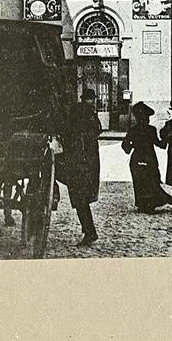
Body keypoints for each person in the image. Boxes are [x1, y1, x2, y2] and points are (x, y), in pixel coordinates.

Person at [58, 88, 102, 246]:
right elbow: (98, 130)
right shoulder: (90, 115)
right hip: (85, 165)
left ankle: (90, 232)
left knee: (80, 199)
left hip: (80, 165)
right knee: (80, 199)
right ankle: (89, 231)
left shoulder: (79, 113)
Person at [121, 101, 172, 213]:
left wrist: (132, 146)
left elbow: (125, 146)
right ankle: (150, 204)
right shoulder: (151, 130)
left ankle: (142, 204)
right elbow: (161, 145)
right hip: (149, 158)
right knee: (151, 181)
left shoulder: (133, 130)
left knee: (139, 182)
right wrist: (166, 138)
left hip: (136, 159)